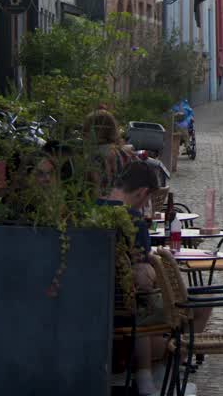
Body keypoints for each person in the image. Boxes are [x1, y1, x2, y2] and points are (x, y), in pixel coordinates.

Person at [98, 162, 164, 396]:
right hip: (123, 306)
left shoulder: (91, 208)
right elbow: (144, 275)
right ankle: (148, 376)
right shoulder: (132, 219)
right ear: (143, 192)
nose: (145, 206)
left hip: (91, 301)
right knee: (177, 309)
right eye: (147, 200)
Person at [83, 109, 135, 188]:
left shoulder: (97, 156)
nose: (83, 134)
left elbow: (95, 189)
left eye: (86, 129)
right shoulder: (122, 153)